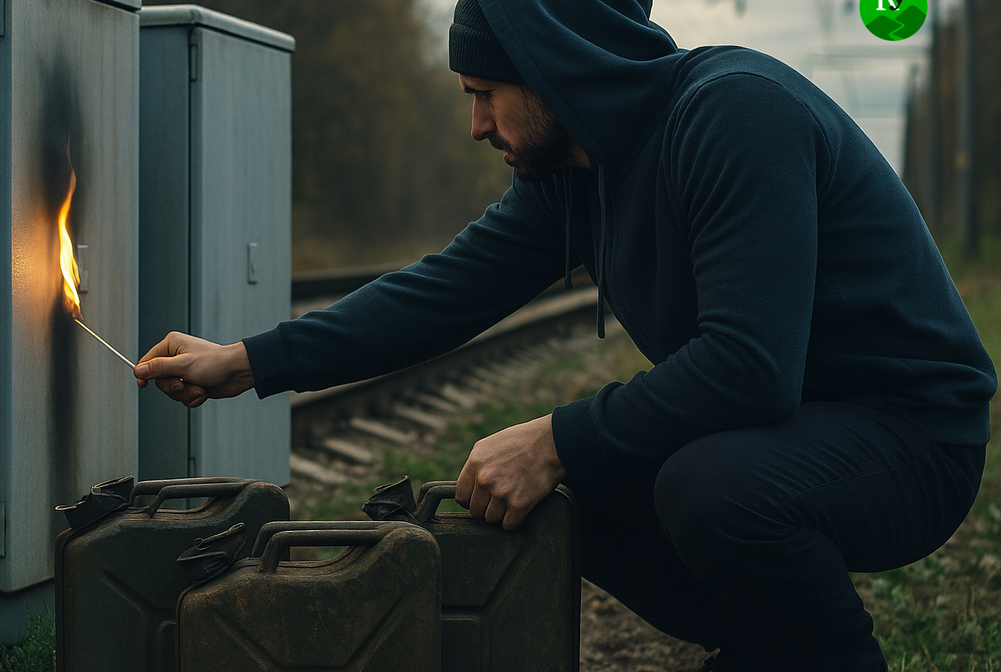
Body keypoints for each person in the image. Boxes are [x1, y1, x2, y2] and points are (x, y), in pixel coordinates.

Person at [133, 0, 996, 669]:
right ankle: (772, 649)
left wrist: (556, 436)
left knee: (708, 486)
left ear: (553, 68)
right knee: (568, 496)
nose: (477, 126)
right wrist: (247, 361)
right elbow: (442, 291)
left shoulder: (736, 117)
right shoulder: (579, 171)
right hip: (793, 430)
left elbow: (751, 368)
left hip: (911, 433)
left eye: (484, 95)